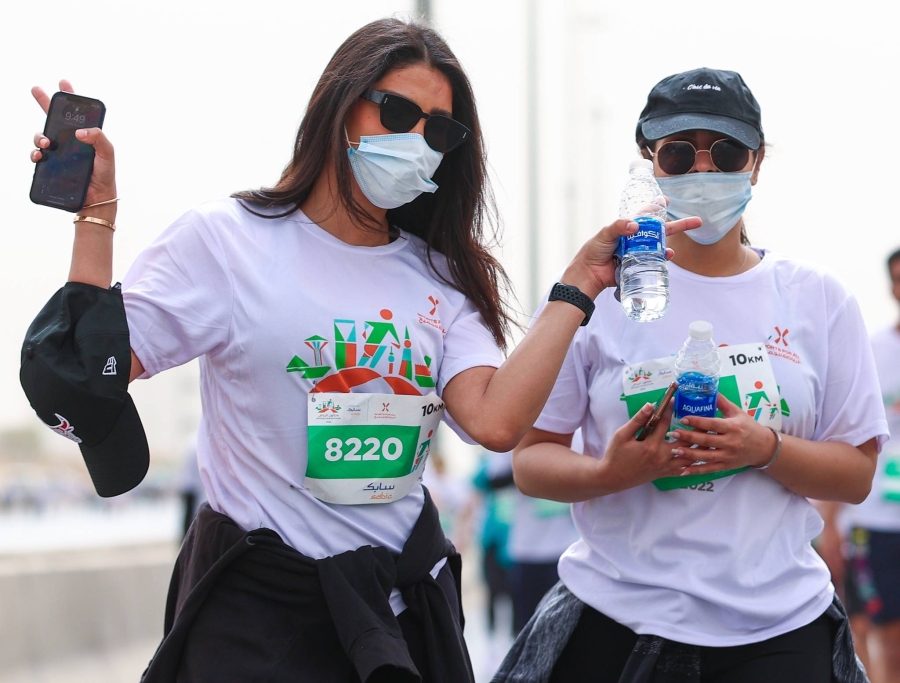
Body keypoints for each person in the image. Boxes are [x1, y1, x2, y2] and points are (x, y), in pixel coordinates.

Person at [26, 19, 699, 683]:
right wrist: (96, 217)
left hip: (395, 619)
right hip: (257, 622)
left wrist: (578, 286)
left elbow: (495, 423)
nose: (418, 142)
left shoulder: (443, 274)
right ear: (341, 107)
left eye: (440, 131)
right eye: (398, 113)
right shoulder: (227, 241)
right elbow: (90, 370)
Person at [493, 67, 887, 683]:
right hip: (618, 614)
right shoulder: (600, 294)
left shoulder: (818, 297)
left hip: (779, 627)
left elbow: (857, 475)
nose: (703, 170)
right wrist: (609, 473)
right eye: (679, 153)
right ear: (651, 162)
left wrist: (765, 448)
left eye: (726, 152)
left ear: (756, 163)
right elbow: (530, 460)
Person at [818, 248, 900, 683]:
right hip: (876, 522)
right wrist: (830, 525)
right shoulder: (873, 350)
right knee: (885, 636)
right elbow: (844, 439)